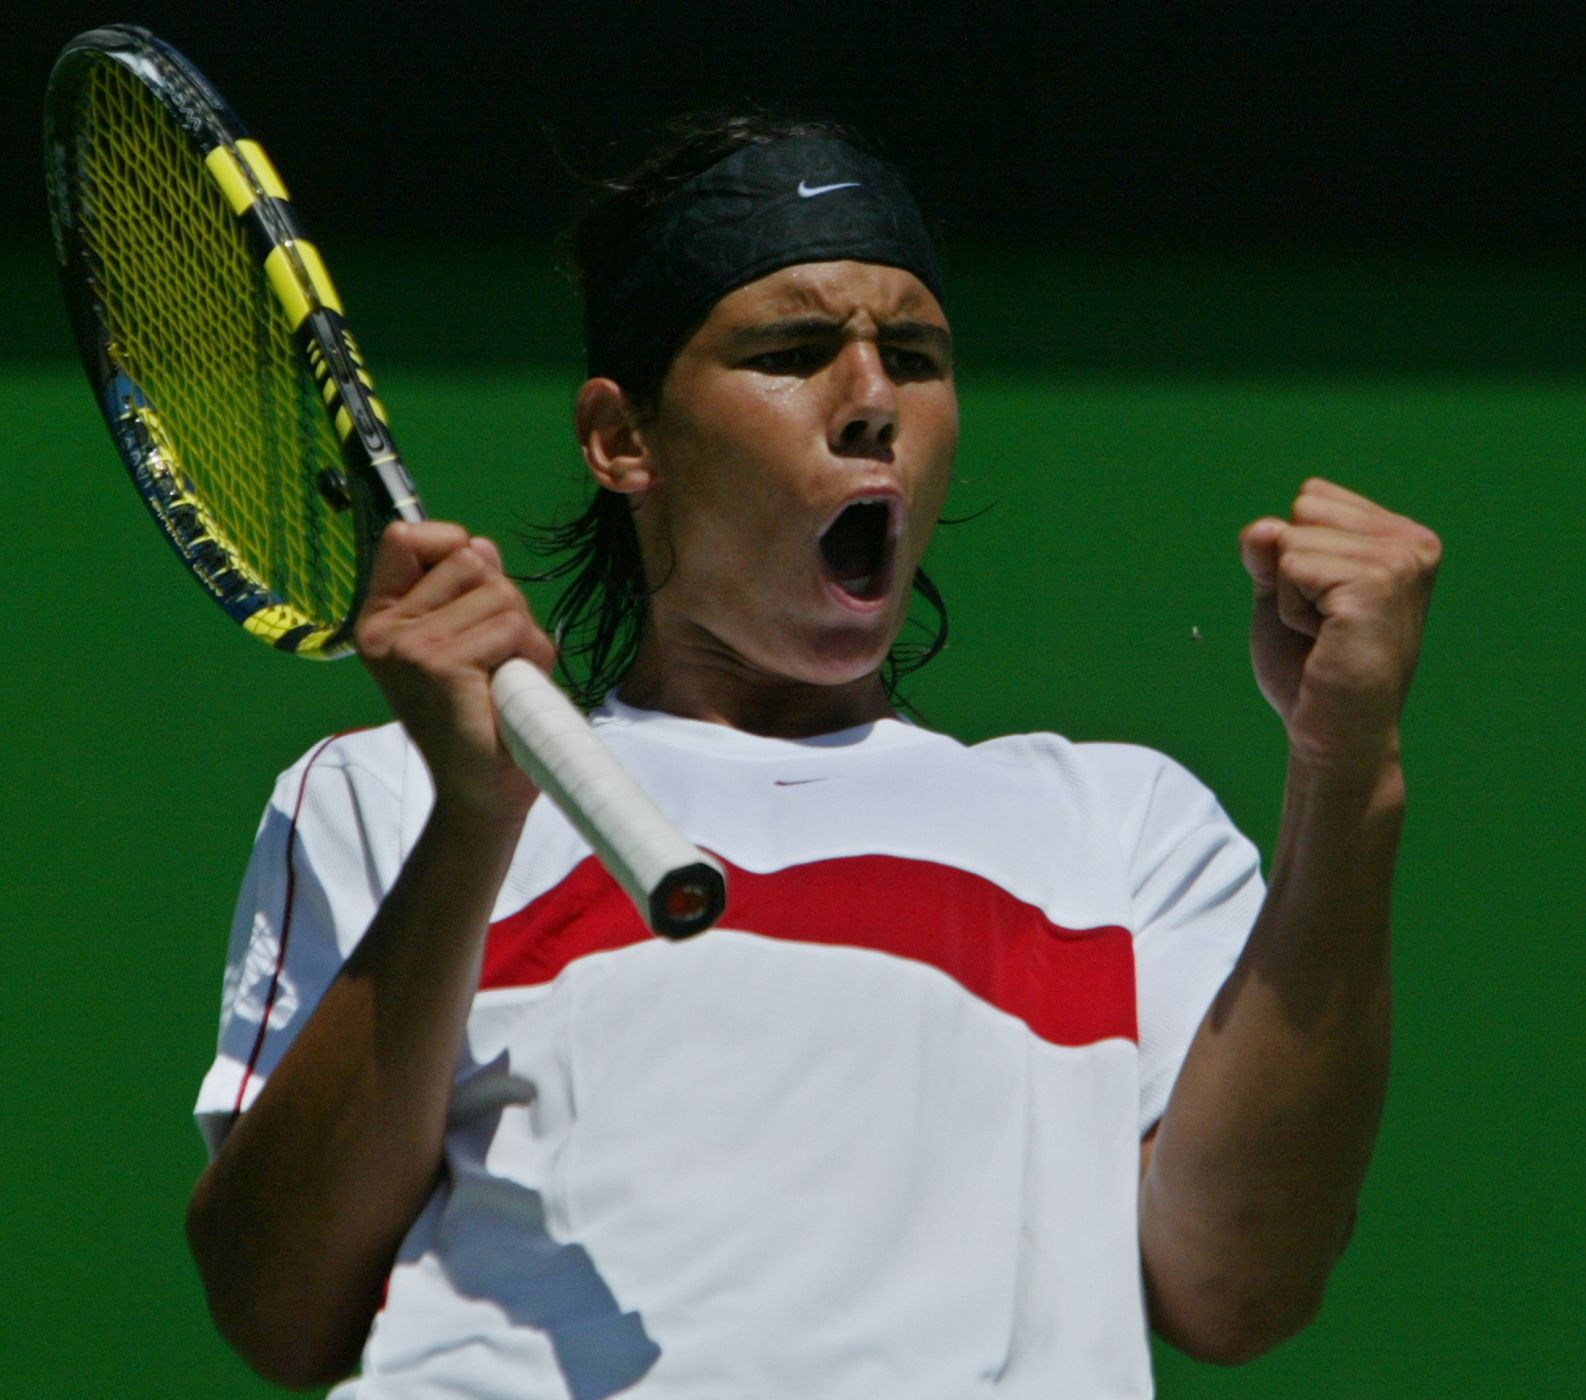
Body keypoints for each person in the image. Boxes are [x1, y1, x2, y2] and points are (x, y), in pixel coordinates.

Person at [185, 116, 1441, 1398]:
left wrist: (1347, 780)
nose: (871, 401)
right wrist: (476, 816)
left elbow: (1238, 1287)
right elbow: (279, 1306)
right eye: (790, 352)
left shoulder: (1120, 826)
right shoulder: (386, 792)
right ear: (622, 437)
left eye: (912, 354)